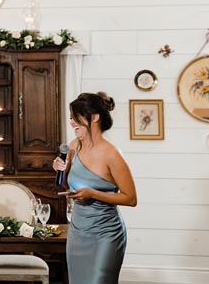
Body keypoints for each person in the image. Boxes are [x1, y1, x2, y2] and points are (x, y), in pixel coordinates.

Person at [53, 92, 137, 284]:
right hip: (78, 231)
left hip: (105, 234)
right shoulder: (74, 146)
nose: (72, 122)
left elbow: (131, 198)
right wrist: (61, 170)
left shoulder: (112, 154)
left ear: (95, 117)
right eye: (71, 118)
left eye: (76, 118)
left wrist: (93, 194)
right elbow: (67, 185)